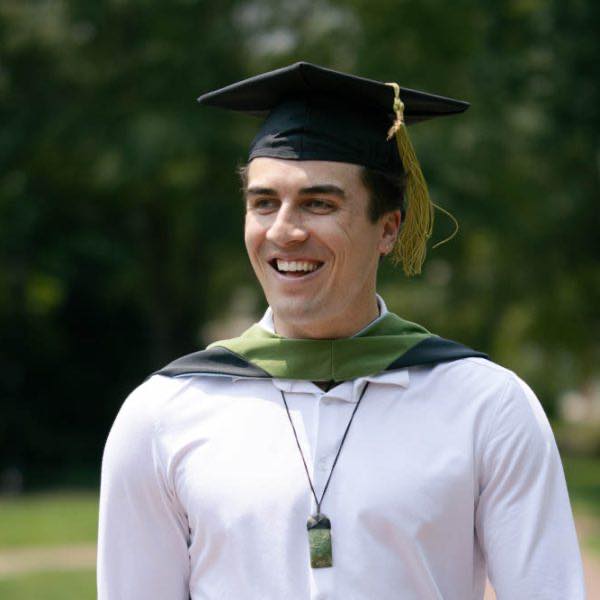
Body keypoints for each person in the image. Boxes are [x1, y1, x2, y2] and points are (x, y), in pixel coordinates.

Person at [97, 62, 585, 599]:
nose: (285, 230)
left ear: (389, 228)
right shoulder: (163, 416)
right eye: (264, 203)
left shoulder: (486, 408)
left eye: (319, 204)